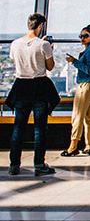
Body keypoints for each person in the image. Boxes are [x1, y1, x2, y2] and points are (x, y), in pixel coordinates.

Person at [6, 13, 59, 176]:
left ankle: (14, 165)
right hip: (39, 88)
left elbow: (16, 63)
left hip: (21, 86)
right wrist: (49, 48)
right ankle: (39, 165)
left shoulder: (15, 44)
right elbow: (50, 67)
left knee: (18, 128)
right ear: (41, 26)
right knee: (40, 129)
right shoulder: (43, 45)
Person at [61, 25, 90, 157]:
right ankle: (88, 145)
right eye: (81, 36)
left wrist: (74, 62)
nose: (82, 38)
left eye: (85, 36)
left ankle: (73, 146)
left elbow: (88, 70)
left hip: (85, 86)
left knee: (78, 115)